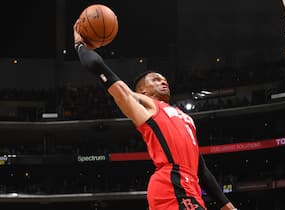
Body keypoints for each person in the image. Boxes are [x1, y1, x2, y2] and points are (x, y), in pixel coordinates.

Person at [73, 20, 237, 210]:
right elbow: (97, 66)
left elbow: (202, 170)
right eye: (156, 79)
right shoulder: (144, 105)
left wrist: (229, 207)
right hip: (171, 186)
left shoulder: (186, 118)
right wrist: (79, 45)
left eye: (164, 79)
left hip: (190, 189)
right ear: (142, 91)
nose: (163, 81)